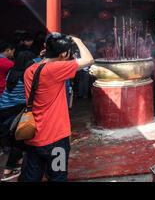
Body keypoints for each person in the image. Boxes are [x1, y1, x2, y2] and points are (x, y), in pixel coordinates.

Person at [21, 33, 94, 182]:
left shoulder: (31, 69)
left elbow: (45, 63)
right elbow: (89, 60)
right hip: (55, 139)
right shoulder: (55, 69)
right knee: (58, 176)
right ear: (63, 53)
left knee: (32, 177)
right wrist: (77, 40)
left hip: (33, 135)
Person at [0, 51, 35, 181]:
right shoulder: (25, 75)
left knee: (12, 137)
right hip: (15, 110)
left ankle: (18, 160)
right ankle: (8, 169)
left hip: (3, 107)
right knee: (19, 140)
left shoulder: (12, 72)